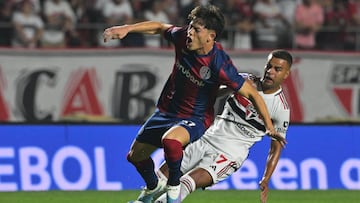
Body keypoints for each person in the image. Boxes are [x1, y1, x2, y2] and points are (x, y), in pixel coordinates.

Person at [103, 4, 285, 203]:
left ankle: (172, 188)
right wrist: (127, 29)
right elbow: (160, 27)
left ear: (210, 36)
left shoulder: (220, 64)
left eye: (196, 29)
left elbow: (253, 95)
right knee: (134, 156)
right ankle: (153, 188)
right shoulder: (183, 37)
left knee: (171, 142)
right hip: (166, 111)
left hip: (195, 119)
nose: (189, 32)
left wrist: (268, 126)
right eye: (190, 26)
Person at [153, 49, 293, 203]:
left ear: (286, 74)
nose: (270, 72)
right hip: (205, 139)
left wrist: (266, 178)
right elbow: (212, 95)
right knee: (160, 178)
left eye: (277, 69)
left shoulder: (281, 108)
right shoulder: (245, 81)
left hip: (228, 154)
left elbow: (276, 148)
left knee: (187, 183)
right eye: (268, 66)